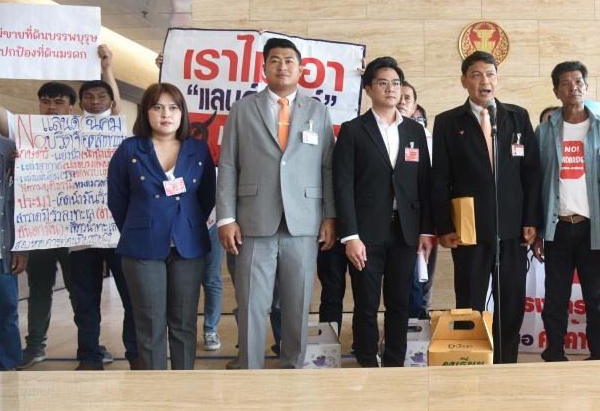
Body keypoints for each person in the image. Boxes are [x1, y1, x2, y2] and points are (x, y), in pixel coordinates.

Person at [0, 45, 120, 369]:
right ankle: (36, 346)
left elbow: (114, 112)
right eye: (45, 101)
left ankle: (90, 346)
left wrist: (107, 70)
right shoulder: (27, 131)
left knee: (81, 292)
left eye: (59, 102)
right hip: (39, 228)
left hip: (77, 232)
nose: (51, 107)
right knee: (39, 289)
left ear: (72, 107)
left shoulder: (85, 129)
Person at [217, 37, 336, 370]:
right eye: (274, 60)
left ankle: (292, 367)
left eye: (289, 61)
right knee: (252, 303)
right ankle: (250, 368)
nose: (282, 66)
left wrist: (330, 216)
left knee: (298, 303)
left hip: (304, 221)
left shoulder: (318, 110)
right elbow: (228, 164)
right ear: (264, 68)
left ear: (300, 69)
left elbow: (328, 166)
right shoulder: (243, 109)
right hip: (253, 221)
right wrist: (226, 218)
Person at [431, 50, 540, 364]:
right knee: (470, 301)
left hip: (512, 228)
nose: (484, 81)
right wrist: (444, 227)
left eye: (490, 74)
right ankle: (472, 362)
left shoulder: (517, 117)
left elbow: (531, 173)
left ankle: (506, 363)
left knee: (511, 302)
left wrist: (531, 219)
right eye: (476, 75)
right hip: (468, 230)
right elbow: (440, 179)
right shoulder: (448, 122)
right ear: (464, 81)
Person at [107, 83, 216, 370]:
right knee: (149, 323)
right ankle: (155, 388)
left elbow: (207, 197)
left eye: (173, 107)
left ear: (182, 113)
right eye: (157, 107)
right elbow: (117, 200)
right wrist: (140, 226)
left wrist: (186, 224)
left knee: (184, 323)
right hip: (142, 247)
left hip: (188, 246)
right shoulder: (130, 149)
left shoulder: (198, 150)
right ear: (146, 112)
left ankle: (183, 384)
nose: (165, 114)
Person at [334, 57, 433, 367]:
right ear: (368, 89)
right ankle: (366, 361)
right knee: (366, 303)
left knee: (400, 302)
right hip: (365, 233)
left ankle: (394, 363)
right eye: (382, 83)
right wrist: (350, 236)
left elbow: (424, 183)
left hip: (405, 231)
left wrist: (426, 230)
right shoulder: (353, 131)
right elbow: (342, 186)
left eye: (395, 83)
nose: (391, 89)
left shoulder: (415, 131)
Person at [533, 62, 600, 362]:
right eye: (565, 84)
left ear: (586, 86)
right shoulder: (544, 131)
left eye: (578, 82)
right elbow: (535, 182)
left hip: (593, 228)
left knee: (598, 301)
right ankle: (554, 354)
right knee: (555, 299)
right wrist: (538, 230)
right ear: (556, 91)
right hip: (556, 227)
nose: (573, 88)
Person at [155, 51, 223, 352]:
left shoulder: (216, 146)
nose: (167, 113)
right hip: (180, 222)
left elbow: (210, 191)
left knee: (212, 278)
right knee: (179, 283)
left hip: (213, 220)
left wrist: (204, 217)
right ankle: (173, 330)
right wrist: (167, 67)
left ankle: (210, 329)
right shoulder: (180, 146)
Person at [70, 77, 139, 370]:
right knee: (85, 302)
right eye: (89, 96)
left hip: (119, 235)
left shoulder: (125, 135)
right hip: (80, 236)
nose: (95, 101)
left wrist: (109, 68)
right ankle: (89, 357)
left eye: (101, 96)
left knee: (132, 300)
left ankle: (136, 355)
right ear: (80, 101)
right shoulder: (64, 134)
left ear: (112, 101)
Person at [0, 87, 27, 371]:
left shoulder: (7, 149)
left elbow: (22, 201)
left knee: (6, 310)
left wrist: (20, 246)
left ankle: (8, 364)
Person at [399, 81, 437, 319]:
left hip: (422, 219)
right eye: (399, 96)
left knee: (421, 276)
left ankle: (417, 321)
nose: (402, 102)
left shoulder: (425, 139)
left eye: (408, 98)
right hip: (388, 220)